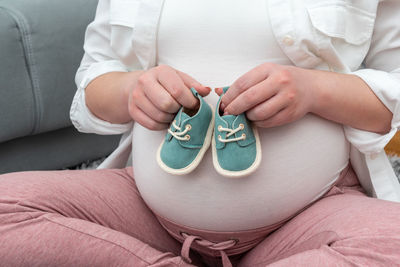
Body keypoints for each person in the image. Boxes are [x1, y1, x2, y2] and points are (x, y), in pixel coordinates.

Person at [1, 0, 400, 266]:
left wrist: (315, 90)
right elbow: (93, 82)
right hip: (145, 210)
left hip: (311, 215)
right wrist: (131, 90)